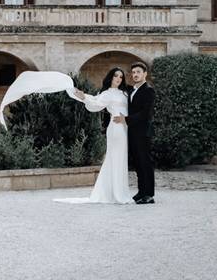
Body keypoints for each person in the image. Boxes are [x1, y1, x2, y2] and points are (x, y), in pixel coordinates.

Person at [60, 67, 133, 204]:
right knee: (114, 158)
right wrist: (84, 97)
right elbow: (96, 102)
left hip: (125, 127)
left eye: (121, 77)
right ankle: (115, 194)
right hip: (116, 128)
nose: (118, 79)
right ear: (110, 77)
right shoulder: (106, 93)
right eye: (115, 76)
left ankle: (119, 191)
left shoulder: (124, 93)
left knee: (121, 159)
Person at [127, 61, 155, 204]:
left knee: (145, 163)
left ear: (145, 74)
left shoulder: (148, 90)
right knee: (138, 163)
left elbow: (146, 113)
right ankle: (141, 191)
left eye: (138, 72)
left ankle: (149, 194)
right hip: (132, 133)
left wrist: (127, 119)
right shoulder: (131, 91)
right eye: (133, 72)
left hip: (143, 133)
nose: (135, 75)